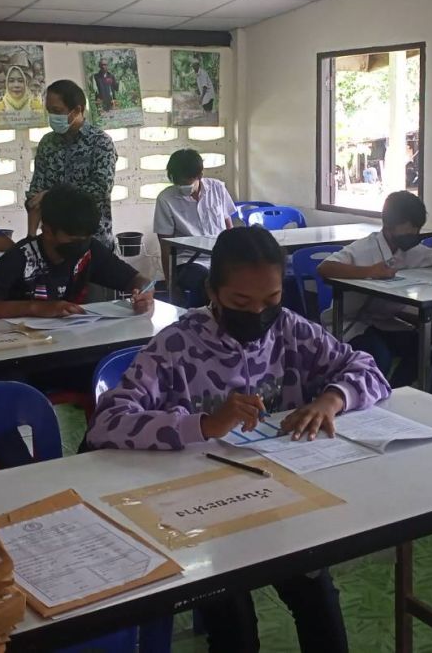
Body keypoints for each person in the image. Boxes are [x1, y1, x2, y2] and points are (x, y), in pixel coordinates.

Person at [87, 226, 389, 653]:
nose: (259, 314)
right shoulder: (176, 345)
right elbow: (107, 422)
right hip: (200, 510)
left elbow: (367, 369)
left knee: (317, 595)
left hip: (281, 495)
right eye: (241, 303)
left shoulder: (289, 330)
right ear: (213, 292)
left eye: (271, 299)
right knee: (234, 625)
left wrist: (331, 400)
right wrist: (204, 425)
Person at [317, 192, 432, 386]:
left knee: (429, 341)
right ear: (388, 226)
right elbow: (325, 268)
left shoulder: (413, 250)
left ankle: (395, 389)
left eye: (416, 231)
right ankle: (368, 394)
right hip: (350, 323)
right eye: (408, 232)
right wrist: (370, 271)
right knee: (379, 356)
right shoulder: (363, 248)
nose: (413, 237)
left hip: (384, 321)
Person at [0, 184, 152, 321]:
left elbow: (138, 280)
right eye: (73, 239)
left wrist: (144, 294)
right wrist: (33, 308)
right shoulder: (21, 256)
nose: (81, 245)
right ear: (47, 231)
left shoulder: (91, 249)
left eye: (86, 238)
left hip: (68, 340)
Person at [27, 79, 117, 244]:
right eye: (49, 111)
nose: (52, 116)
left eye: (57, 111)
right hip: (54, 242)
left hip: (92, 239)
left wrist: (52, 196)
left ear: (77, 110)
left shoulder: (100, 142)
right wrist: (31, 237)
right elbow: (36, 193)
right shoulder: (47, 143)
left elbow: (101, 187)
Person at [153, 149, 234, 306]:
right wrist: (170, 284)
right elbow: (165, 245)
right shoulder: (165, 199)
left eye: (187, 183)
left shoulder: (217, 188)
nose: (182, 186)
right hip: (187, 261)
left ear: (200, 175)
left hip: (220, 257)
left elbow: (228, 225)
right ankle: (204, 317)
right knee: (205, 281)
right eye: (178, 183)